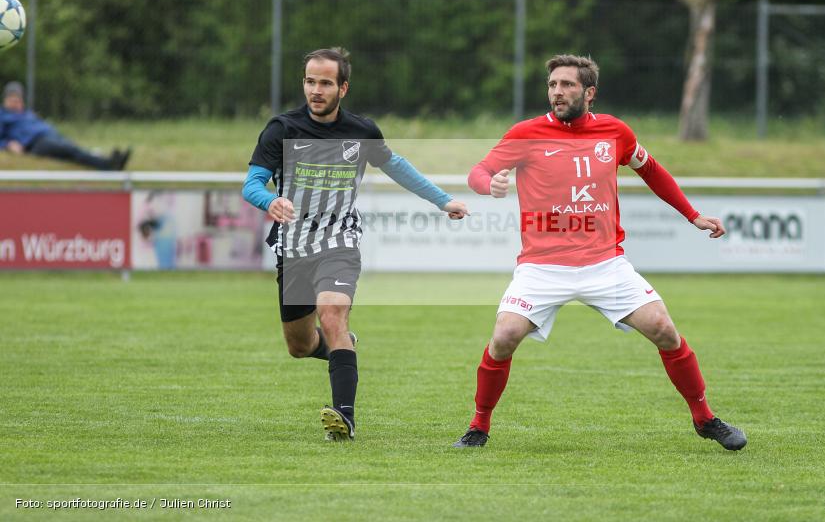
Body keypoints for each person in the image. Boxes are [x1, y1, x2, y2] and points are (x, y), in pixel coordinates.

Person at [453, 54, 746, 451]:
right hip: (542, 267)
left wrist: (692, 215)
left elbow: (653, 171)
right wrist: (491, 185)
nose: (557, 91)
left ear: (589, 92)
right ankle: (478, 427)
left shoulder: (615, 132)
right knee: (504, 336)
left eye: (567, 85)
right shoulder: (527, 132)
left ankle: (705, 418)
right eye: (553, 84)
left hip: (605, 264)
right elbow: (478, 172)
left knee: (664, 329)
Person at [242, 47, 468, 442]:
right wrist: (270, 200)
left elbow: (396, 166)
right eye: (310, 81)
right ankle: (340, 348)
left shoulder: (361, 131)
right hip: (293, 248)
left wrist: (442, 200)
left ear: (342, 88)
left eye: (325, 82)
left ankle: (344, 417)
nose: (316, 89)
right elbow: (252, 184)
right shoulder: (281, 129)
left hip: (339, 241)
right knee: (300, 345)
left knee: (332, 315)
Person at [0, 81, 131, 170]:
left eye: (17, 99)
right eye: (11, 99)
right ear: (5, 100)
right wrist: (8, 144)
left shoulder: (27, 114)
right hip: (36, 143)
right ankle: (109, 165)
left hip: (50, 136)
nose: (15, 103)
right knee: (72, 151)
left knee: (74, 150)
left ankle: (111, 161)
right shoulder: (3, 116)